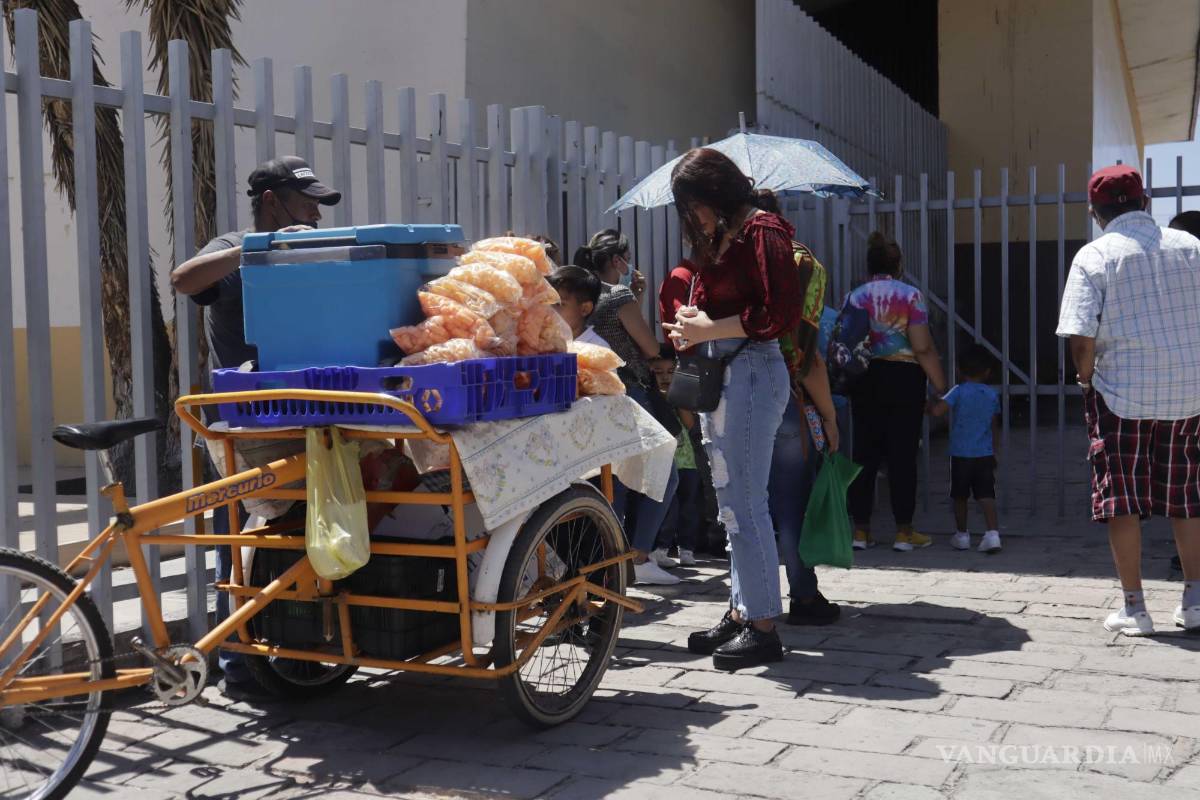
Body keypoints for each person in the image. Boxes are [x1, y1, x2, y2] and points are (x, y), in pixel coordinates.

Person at [171, 156, 341, 694]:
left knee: (308, 536)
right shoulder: (232, 247)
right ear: (272, 200)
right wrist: (255, 249)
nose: (316, 210)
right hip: (246, 424)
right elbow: (184, 280)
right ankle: (238, 662)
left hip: (313, 414)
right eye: (307, 198)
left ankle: (304, 653)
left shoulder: (313, 249)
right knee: (240, 543)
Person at [662, 147, 802, 670]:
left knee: (745, 501)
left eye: (693, 203)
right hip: (725, 371)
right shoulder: (727, 234)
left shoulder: (763, 231)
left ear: (715, 194)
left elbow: (781, 314)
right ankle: (743, 611)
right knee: (731, 502)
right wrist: (694, 322)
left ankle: (763, 623)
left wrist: (709, 328)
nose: (691, 215)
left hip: (750, 370)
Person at [1056, 164, 1200, 636]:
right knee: (1187, 499)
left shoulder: (1094, 256)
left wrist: (1084, 379)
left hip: (1121, 396)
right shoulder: (1192, 248)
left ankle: (1135, 608)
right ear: (1144, 203)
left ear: (1096, 213)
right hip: (1190, 393)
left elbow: (1080, 336)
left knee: (1122, 500)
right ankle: (1196, 600)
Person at [574, 230, 679, 585]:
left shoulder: (588, 295)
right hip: (631, 390)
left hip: (598, 392)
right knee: (666, 470)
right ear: (617, 261)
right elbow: (649, 348)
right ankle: (641, 555)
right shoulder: (618, 295)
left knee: (615, 479)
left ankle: (614, 558)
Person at [842, 232, 948, 552]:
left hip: (865, 377)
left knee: (864, 453)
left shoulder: (855, 296)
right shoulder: (910, 296)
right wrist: (941, 386)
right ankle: (904, 531)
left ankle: (860, 531)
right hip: (904, 378)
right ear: (899, 265)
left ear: (869, 265)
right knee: (902, 455)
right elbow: (923, 346)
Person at [768, 237, 843, 626]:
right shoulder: (801, 265)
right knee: (790, 509)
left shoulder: (725, 263)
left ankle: (749, 602)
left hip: (734, 403)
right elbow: (808, 357)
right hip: (786, 404)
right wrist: (830, 418)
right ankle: (803, 593)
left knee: (745, 514)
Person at [930, 345, 1002, 554]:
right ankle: (993, 534)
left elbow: (937, 412)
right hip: (984, 453)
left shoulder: (958, 391)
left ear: (959, 370)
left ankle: (962, 535)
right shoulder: (991, 394)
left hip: (961, 454)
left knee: (960, 495)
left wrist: (931, 400)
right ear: (987, 372)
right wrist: (994, 450)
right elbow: (994, 424)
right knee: (986, 494)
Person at [650, 353, 701, 568]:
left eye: (671, 372)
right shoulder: (650, 398)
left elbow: (690, 424)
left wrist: (676, 398)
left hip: (687, 461)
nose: (664, 377)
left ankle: (686, 548)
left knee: (688, 506)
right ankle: (662, 547)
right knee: (669, 506)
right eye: (658, 372)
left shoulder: (681, 397)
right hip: (664, 460)